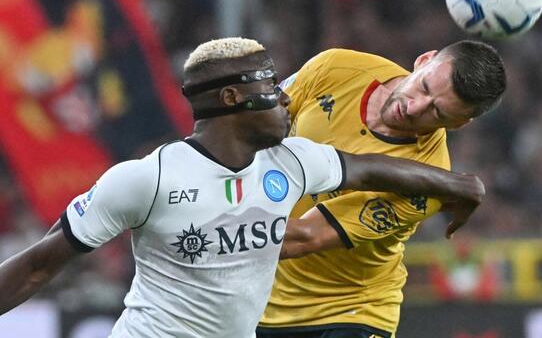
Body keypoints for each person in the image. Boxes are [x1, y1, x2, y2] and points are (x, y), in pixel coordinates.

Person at [0, 38, 485, 338]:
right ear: (233, 99)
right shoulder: (148, 179)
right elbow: (39, 264)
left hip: (350, 308)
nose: (286, 99)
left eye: (439, 111)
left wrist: (458, 185)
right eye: (270, 89)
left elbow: (366, 170)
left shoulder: (295, 163)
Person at [258, 40, 506, 338]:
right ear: (423, 60)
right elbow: (258, 126)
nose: (414, 107)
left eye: (437, 112)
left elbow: (305, 237)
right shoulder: (337, 67)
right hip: (262, 300)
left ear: (458, 124)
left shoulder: (425, 183)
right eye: (424, 87)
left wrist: (216, 236)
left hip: (349, 312)